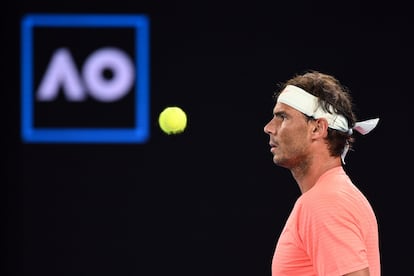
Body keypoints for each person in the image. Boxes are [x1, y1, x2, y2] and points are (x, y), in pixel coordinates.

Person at [263, 70, 381, 276]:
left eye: (282, 117)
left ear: (317, 128)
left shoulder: (325, 201)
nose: (268, 128)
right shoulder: (335, 194)